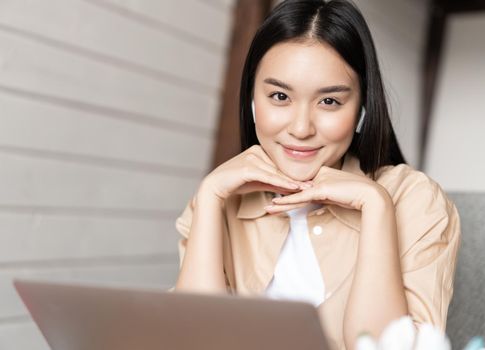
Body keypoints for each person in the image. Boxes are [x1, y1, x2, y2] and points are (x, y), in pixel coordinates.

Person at [172, 1, 461, 349]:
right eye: (279, 96)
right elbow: (193, 339)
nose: (301, 128)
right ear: (252, 102)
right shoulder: (217, 199)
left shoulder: (415, 200)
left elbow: (387, 346)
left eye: (329, 102)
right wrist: (210, 195)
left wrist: (375, 205)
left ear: (361, 110)